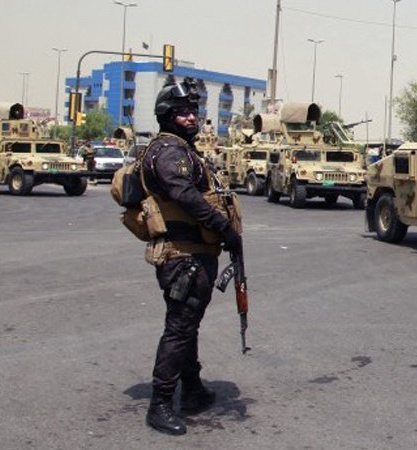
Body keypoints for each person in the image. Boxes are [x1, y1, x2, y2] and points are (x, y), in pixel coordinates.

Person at [141, 77, 242, 436]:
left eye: (193, 111)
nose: (190, 117)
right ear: (166, 116)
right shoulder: (169, 152)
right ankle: (160, 404)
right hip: (182, 256)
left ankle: (193, 389)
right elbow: (184, 193)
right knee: (180, 327)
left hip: (194, 252)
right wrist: (223, 227)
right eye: (182, 112)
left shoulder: (181, 148)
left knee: (188, 325)